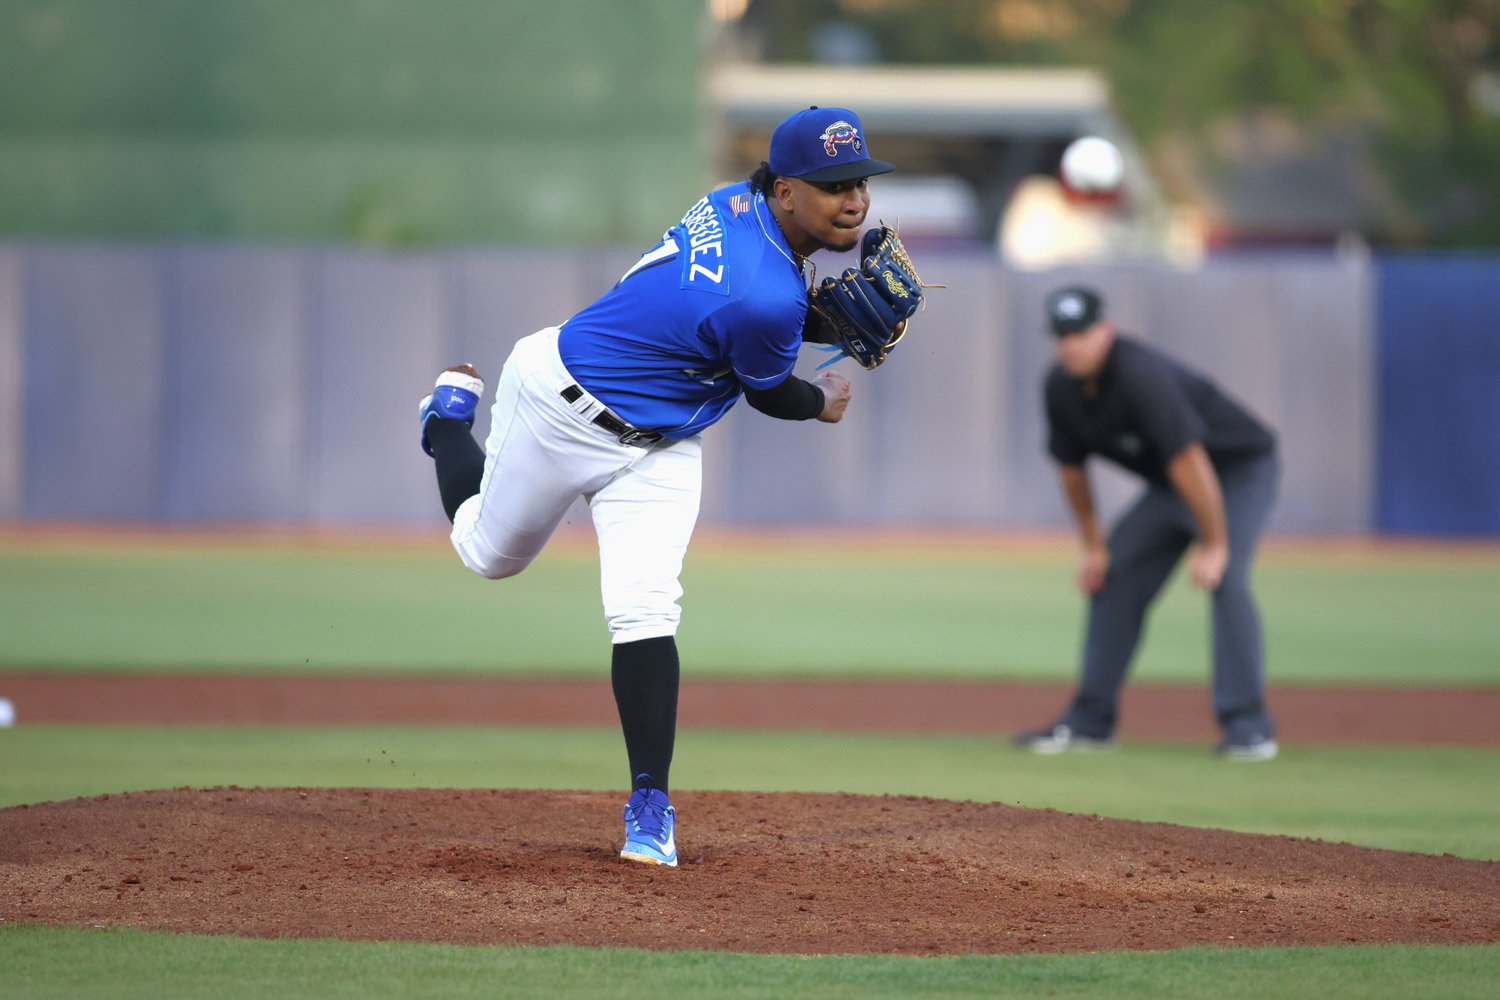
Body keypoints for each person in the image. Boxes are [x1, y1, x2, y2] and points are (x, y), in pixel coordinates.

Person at [417, 106, 898, 865]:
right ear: (783, 191)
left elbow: (747, 309)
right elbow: (771, 383)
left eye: (861, 180)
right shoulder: (764, 291)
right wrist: (825, 400)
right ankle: (446, 418)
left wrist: (823, 323)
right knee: (487, 556)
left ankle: (650, 805)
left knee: (643, 607)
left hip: (662, 445)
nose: (856, 200)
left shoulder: (730, 203)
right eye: (833, 184)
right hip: (559, 404)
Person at [1015, 286, 1282, 760]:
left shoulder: (1139, 375)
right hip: (1173, 484)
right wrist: (1094, 547)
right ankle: (1090, 722)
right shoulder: (1060, 387)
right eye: (1062, 335)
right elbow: (1072, 472)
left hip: (1236, 471)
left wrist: (1215, 543)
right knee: (1113, 575)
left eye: (1080, 332)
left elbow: (1189, 460)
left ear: (1106, 331)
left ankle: (1248, 726)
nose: (1071, 344)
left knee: (1228, 578)